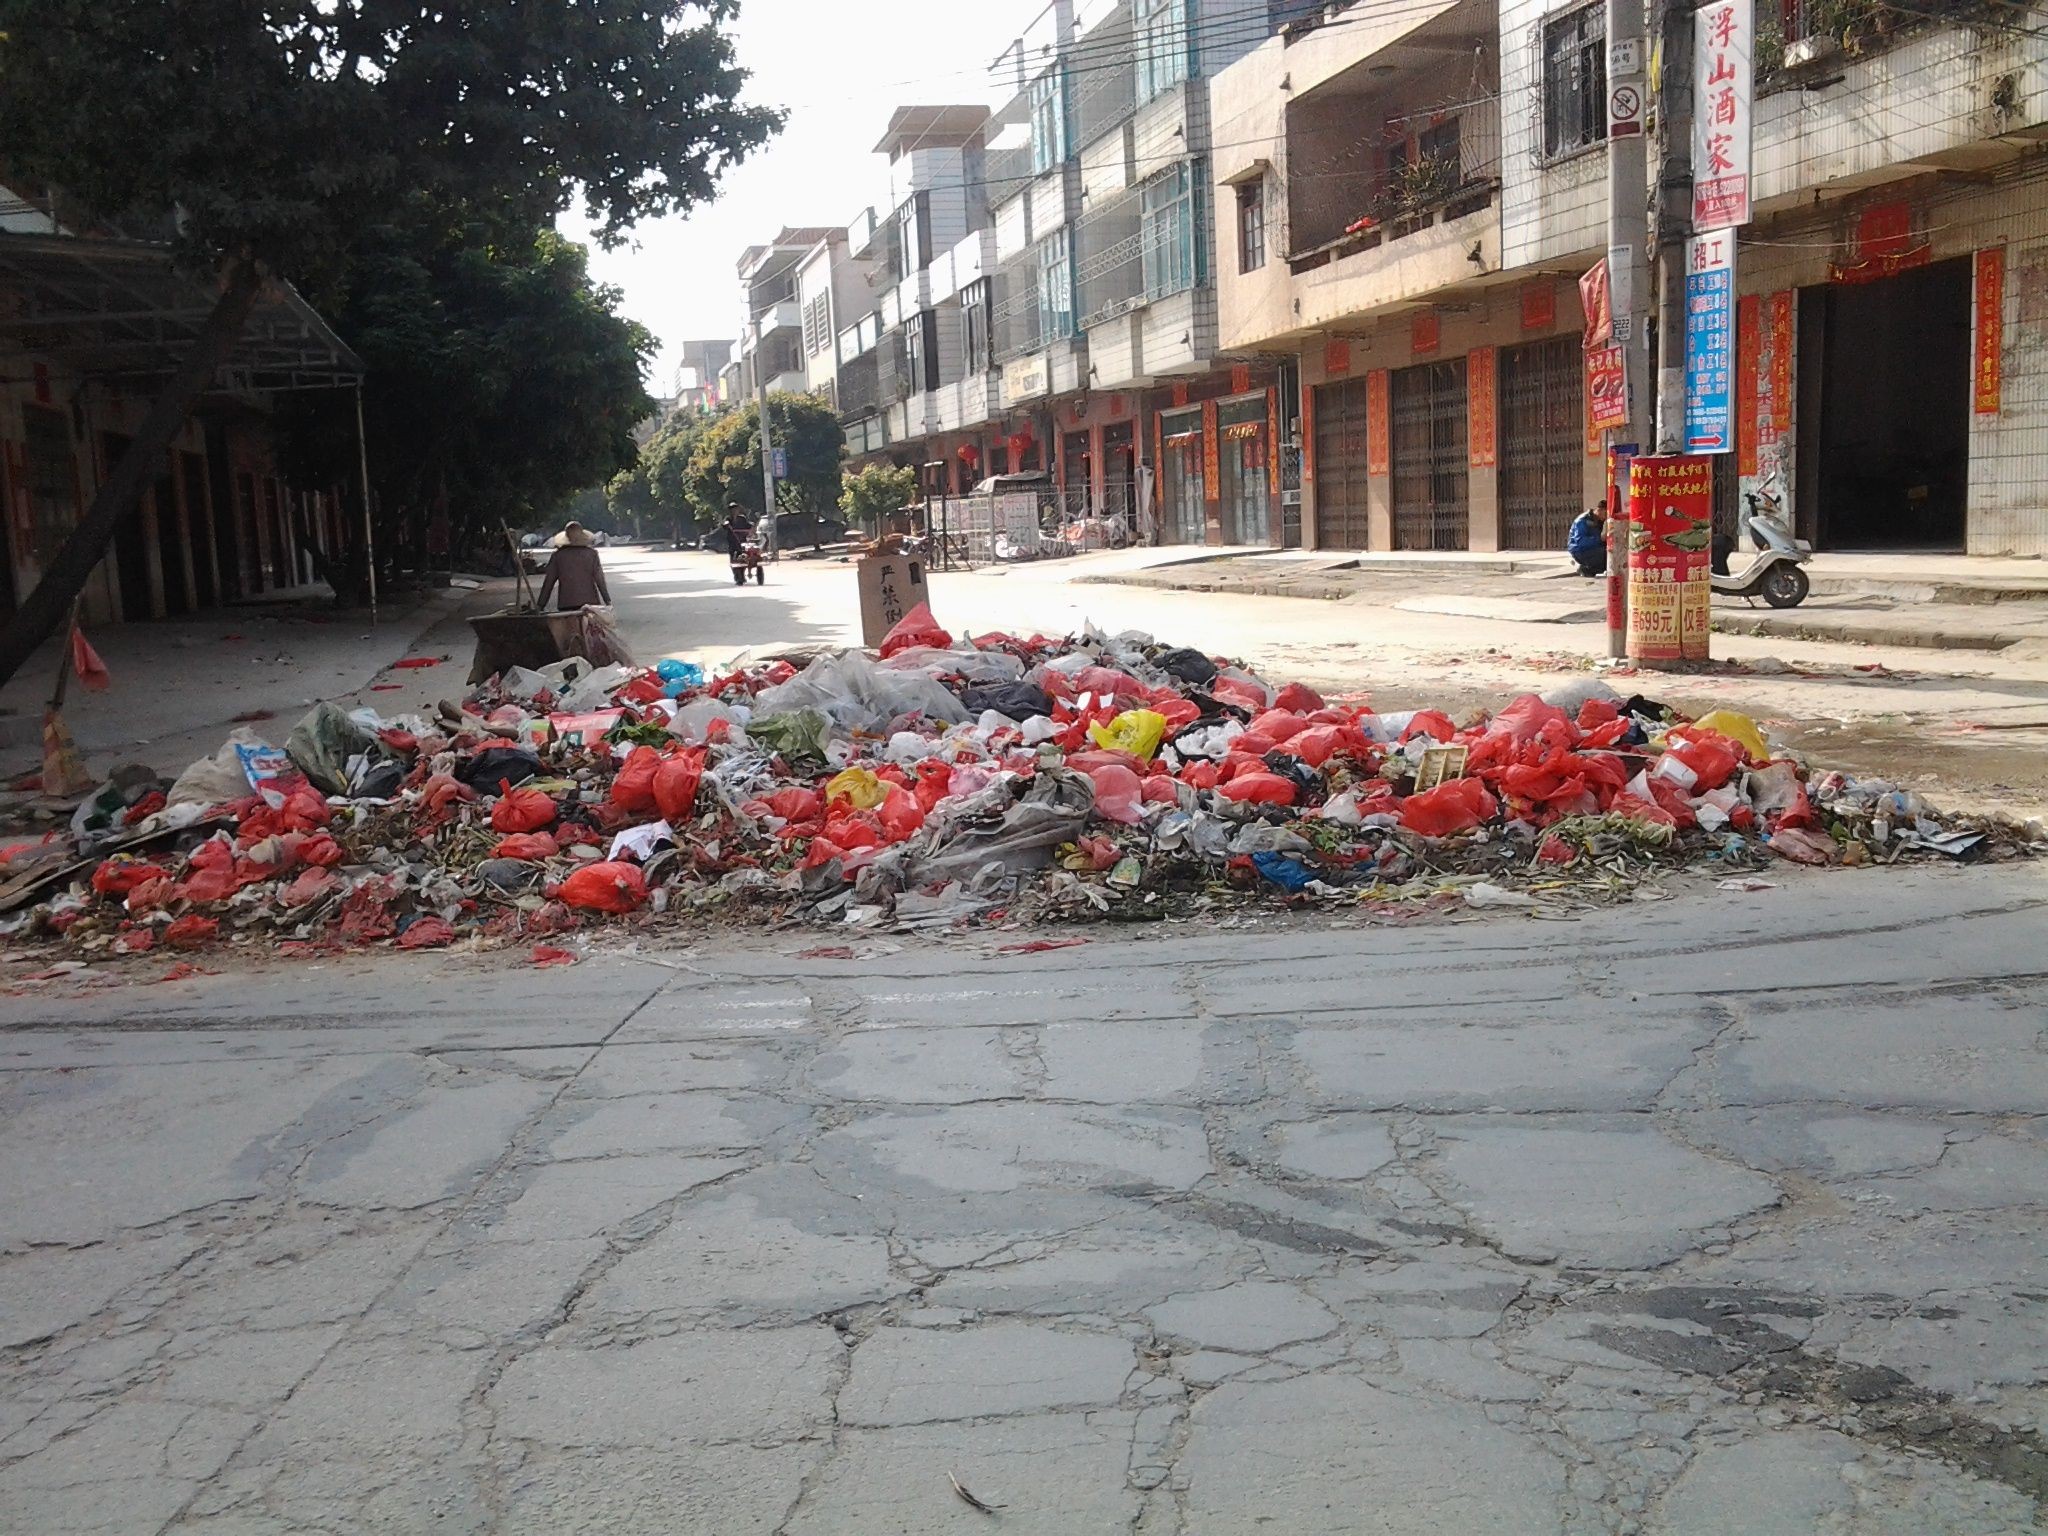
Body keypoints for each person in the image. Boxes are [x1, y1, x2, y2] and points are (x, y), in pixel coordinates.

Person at [534, 521, 611, 611]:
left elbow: (549, 582)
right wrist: (607, 600)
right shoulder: (592, 554)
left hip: (566, 603)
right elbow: (599, 579)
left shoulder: (558, 555)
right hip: (590, 602)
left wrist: (541, 605)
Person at [1567, 506, 1609, 579]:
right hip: (1579, 550)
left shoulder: (1598, 521)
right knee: (1606, 555)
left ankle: (1591, 568)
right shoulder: (1582, 520)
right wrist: (1600, 539)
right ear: (1599, 510)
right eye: (1605, 514)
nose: (1606, 517)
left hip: (1591, 548)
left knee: (1610, 551)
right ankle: (1586, 569)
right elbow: (1580, 542)